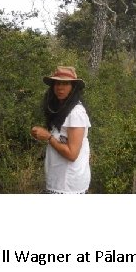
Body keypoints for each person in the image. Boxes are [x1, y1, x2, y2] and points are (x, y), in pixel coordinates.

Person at [30, 66, 91, 194]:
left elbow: (72, 154)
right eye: (57, 83)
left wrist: (48, 137)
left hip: (68, 185)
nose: (60, 87)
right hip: (58, 181)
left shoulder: (76, 113)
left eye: (65, 83)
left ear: (73, 88)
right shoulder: (61, 109)